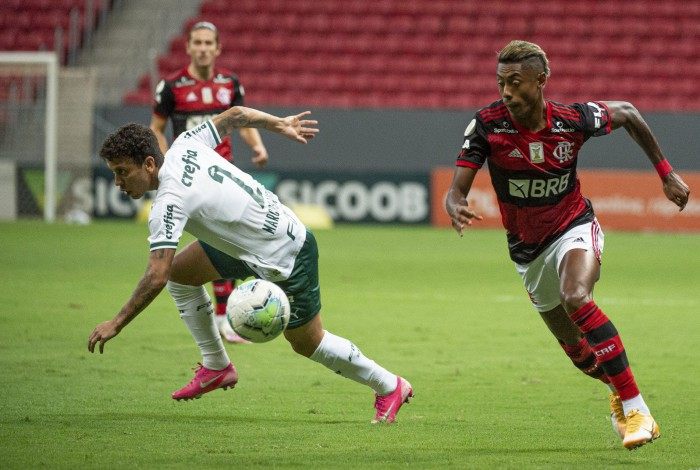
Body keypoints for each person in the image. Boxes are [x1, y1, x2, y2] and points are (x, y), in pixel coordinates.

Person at [88, 105, 413, 424]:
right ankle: (217, 366)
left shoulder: (169, 201)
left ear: (148, 163)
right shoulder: (185, 143)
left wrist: (116, 322)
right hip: (251, 243)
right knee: (181, 274)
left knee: (306, 343)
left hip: (287, 253)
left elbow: (154, 276)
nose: (118, 182)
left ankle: (389, 385)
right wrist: (279, 124)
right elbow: (234, 116)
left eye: (122, 172)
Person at [445, 40, 690, 450]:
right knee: (580, 355)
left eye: (515, 82)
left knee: (576, 296)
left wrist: (665, 173)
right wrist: (455, 205)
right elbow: (456, 190)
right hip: (527, 252)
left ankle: (638, 410)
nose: (506, 91)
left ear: (541, 81)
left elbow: (628, 112)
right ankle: (617, 391)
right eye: (501, 81)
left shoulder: (572, 119)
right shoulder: (488, 124)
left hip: (573, 226)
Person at [149, 21, 267, 344]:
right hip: (191, 178)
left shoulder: (230, 84)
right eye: (197, 42)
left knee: (225, 240)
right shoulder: (171, 87)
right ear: (188, 47)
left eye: (208, 43)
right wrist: (165, 162)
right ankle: (221, 314)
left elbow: (240, 120)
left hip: (223, 174)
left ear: (217, 49)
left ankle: (223, 314)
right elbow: (156, 128)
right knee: (215, 242)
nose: (202, 48)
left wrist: (257, 145)